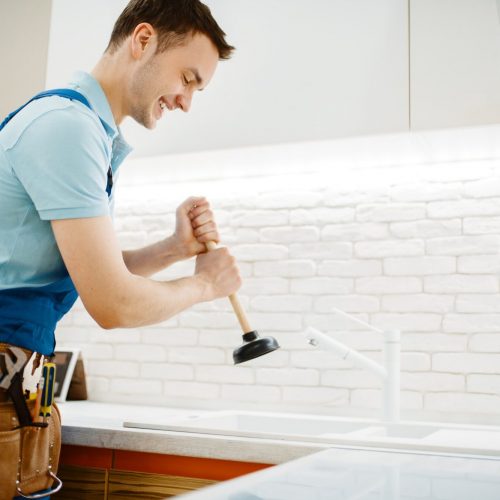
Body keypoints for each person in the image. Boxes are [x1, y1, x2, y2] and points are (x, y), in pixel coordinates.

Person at [0, 1, 240, 498]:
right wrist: (204, 284)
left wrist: (173, 248)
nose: (186, 101)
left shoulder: (83, 128)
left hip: (21, 391)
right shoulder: (67, 128)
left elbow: (83, 268)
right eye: (188, 78)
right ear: (144, 39)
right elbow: (112, 302)